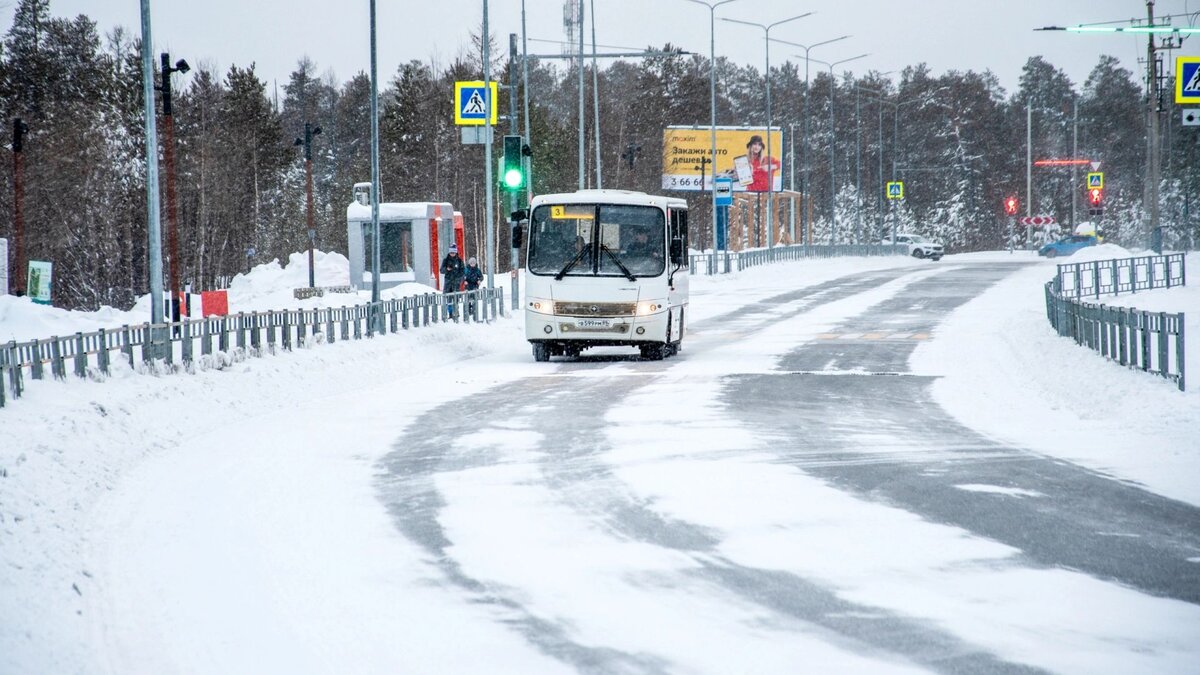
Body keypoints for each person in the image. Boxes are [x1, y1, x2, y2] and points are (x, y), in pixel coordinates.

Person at [440, 244, 465, 318]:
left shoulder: (459, 261)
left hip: (456, 283)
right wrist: (447, 269)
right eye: (451, 253)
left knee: (456, 299)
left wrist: (459, 279)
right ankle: (450, 313)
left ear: (456, 252)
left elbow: (463, 272)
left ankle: (456, 312)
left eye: (453, 253)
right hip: (448, 283)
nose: (452, 254)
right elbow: (441, 270)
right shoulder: (446, 260)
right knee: (448, 299)